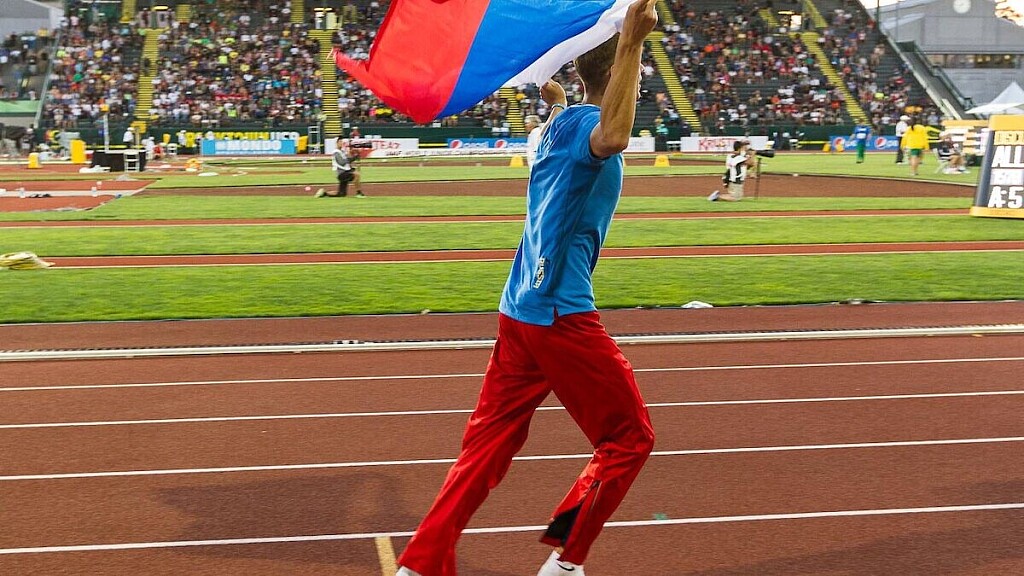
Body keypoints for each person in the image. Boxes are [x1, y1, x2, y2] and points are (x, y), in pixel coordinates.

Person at [395, 2, 659, 575]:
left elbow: (578, 121)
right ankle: (566, 564)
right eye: (633, 73)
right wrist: (633, 41)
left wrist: (560, 97)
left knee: (486, 447)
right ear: (621, 74)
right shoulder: (591, 128)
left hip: (519, 310)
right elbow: (615, 133)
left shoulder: (558, 125)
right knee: (628, 439)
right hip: (561, 314)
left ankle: (421, 563)